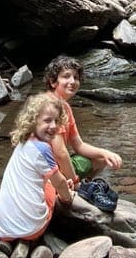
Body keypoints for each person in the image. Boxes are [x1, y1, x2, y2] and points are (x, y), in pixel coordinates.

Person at [0, 95, 74, 257]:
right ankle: (19, 239)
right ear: (33, 121)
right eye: (47, 121)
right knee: (51, 189)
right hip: (31, 229)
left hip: (2, 230)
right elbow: (59, 183)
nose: (53, 126)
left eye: (57, 121)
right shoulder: (43, 150)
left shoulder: (23, 143)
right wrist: (67, 197)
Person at [44, 55, 123, 185]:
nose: (72, 81)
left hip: (56, 167)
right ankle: (73, 189)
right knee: (91, 161)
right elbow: (60, 152)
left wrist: (105, 153)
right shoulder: (51, 106)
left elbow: (79, 145)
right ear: (53, 82)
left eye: (76, 77)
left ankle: (83, 187)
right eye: (66, 76)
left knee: (101, 159)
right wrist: (74, 181)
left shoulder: (65, 107)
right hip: (47, 172)